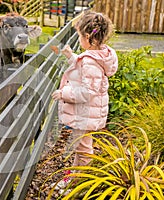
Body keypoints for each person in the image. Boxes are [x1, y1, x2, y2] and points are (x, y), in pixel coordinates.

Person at [50, 11, 118, 193]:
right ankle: (74, 177)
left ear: (88, 37)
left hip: (86, 113)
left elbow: (87, 91)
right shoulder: (97, 56)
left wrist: (63, 93)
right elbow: (84, 74)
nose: (79, 39)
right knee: (80, 147)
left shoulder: (91, 61)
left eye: (79, 35)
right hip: (87, 113)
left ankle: (82, 184)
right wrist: (71, 57)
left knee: (84, 149)